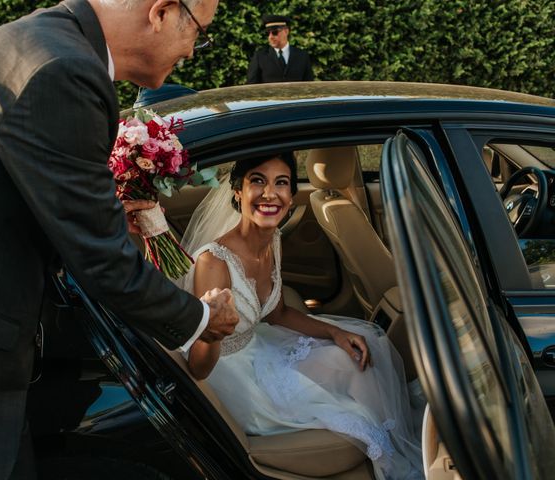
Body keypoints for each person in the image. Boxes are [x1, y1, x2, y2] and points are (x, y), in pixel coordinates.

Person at [0, 1, 238, 479]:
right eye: (200, 32)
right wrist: (203, 318)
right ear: (163, 11)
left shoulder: (50, 44)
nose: (194, 51)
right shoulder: (65, 71)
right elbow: (103, 262)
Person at [179, 152, 423, 480]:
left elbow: (277, 312)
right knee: (355, 408)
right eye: (257, 181)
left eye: (281, 183)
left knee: (360, 354)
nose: (270, 193)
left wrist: (334, 332)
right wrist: (211, 331)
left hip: (260, 347)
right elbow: (197, 366)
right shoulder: (214, 262)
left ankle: (399, 453)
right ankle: (391, 466)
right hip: (231, 375)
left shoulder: (272, 238)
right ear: (237, 191)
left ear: (292, 195)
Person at [246, 14, 315, 84]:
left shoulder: (302, 56)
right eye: (267, 33)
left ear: (286, 31)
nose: (270, 37)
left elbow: (309, 86)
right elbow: (251, 87)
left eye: (274, 32)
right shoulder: (260, 57)